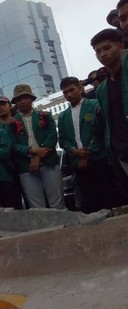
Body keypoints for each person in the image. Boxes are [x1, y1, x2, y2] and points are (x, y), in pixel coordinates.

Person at [58, 76, 113, 213]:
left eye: (72, 90)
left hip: (99, 158)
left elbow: (101, 131)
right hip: (78, 164)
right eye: (65, 92)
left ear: (80, 88)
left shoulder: (94, 105)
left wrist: (87, 152)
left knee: (107, 197)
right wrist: (74, 151)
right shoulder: (62, 116)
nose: (69, 94)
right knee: (89, 202)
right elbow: (63, 139)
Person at [11, 84, 64, 209]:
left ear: (31, 99)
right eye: (19, 99)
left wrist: (38, 157)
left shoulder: (44, 115)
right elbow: (13, 145)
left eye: (25, 97)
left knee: (57, 202)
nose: (23, 101)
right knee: (37, 207)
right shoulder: (12, 123)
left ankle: (63, 228)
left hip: (48, 163)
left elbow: (52, 136)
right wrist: (31, 151)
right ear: (16, 103)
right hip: (26, 167)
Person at [91, 28, 128, 203]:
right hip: (120, 152)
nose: (102, 54)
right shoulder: (102, 89)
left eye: (107, 48)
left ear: (120, 45)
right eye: (98, 51)